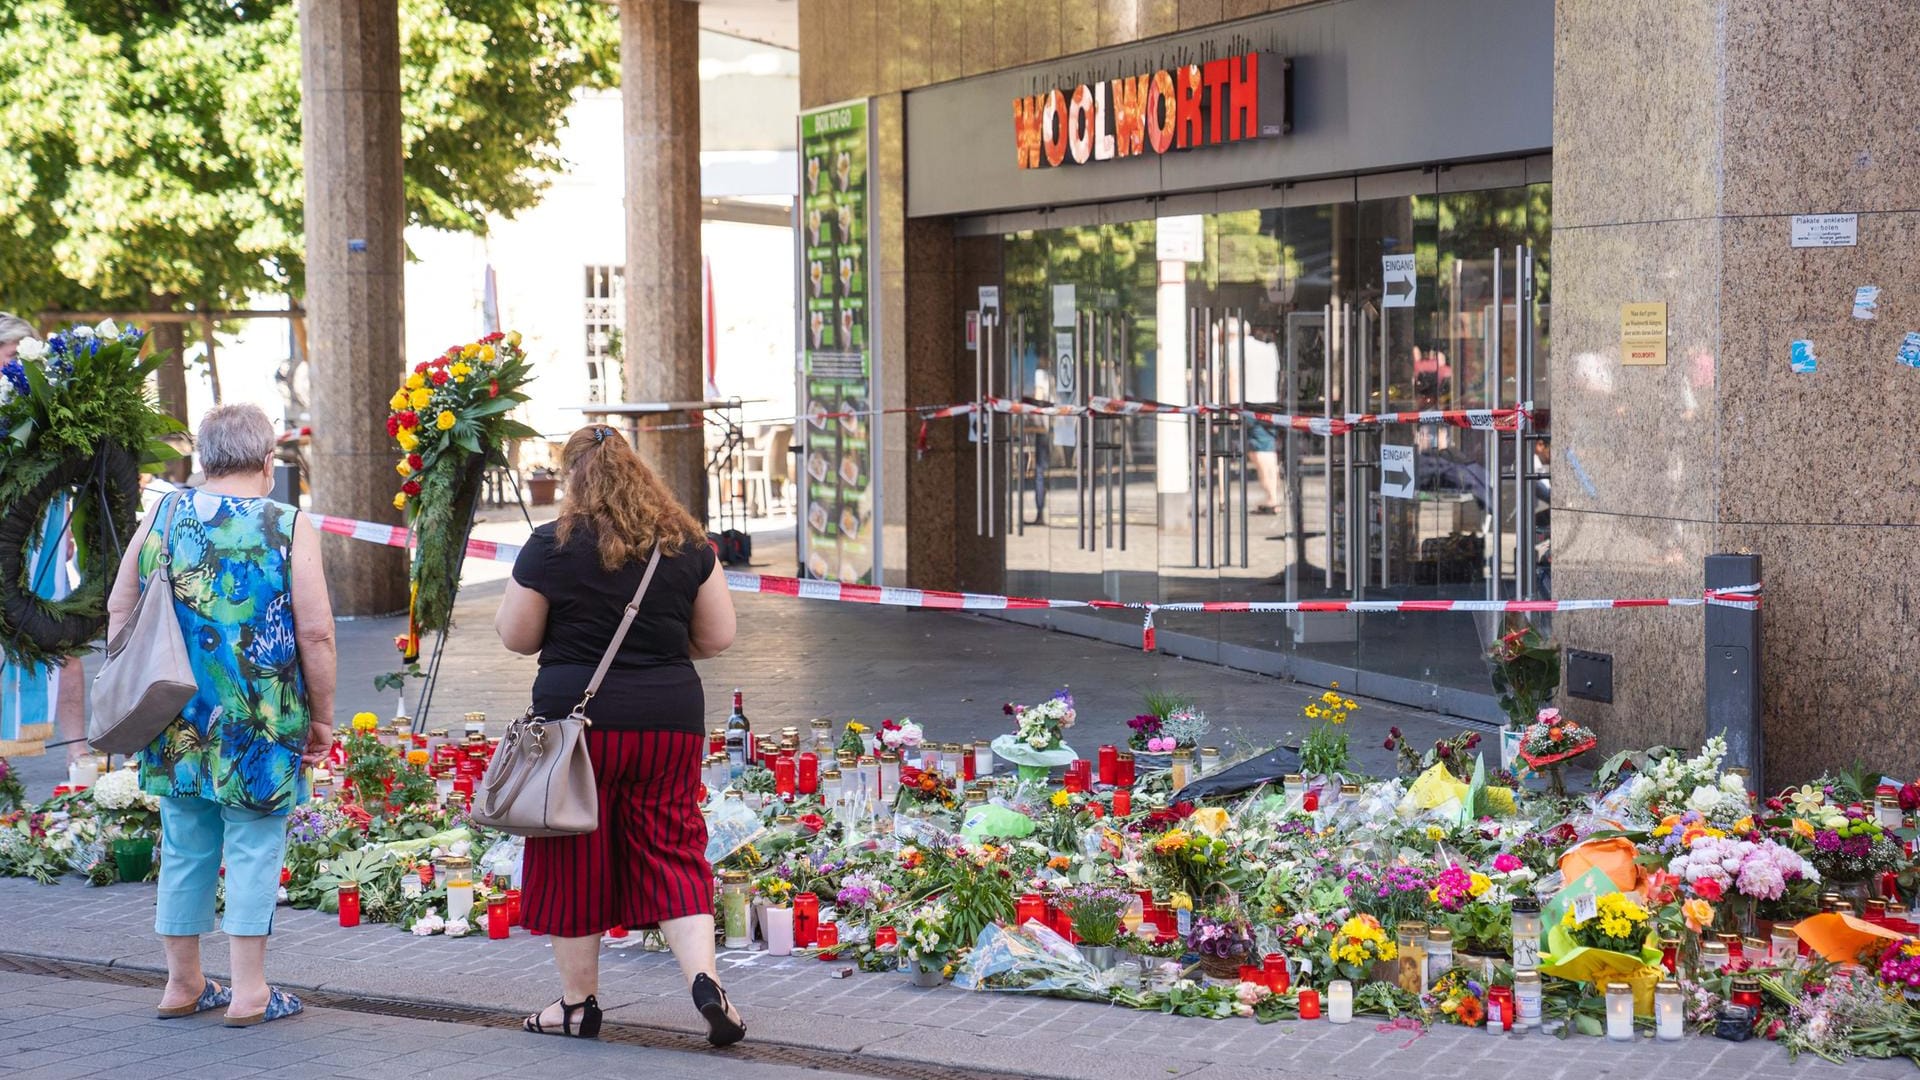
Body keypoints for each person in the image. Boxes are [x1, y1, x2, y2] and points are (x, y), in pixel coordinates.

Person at [495, 425, 745, 1045]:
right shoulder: (687, 544)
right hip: (668, 725)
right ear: (640, 472)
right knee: (674, 848)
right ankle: (706, 980)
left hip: (578, 731)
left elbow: (517, 636)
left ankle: (578, 1007)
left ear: (572, 478)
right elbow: (716, 638)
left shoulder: (549, 545)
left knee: (572, 855)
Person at [106, 403, 335, 1027]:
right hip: (263, 718)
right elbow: (315, 633)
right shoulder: (285, 523)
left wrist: (132, 687)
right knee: (255, 844)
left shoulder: (163, 512)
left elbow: (119, 604)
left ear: (204, 460)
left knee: (184, 843)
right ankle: (250, 992)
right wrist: (323, 716)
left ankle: (183, 984)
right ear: (267, 463)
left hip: (174, 712)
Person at [0, 314, 87, 764]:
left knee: (58, 635)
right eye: (7, 355)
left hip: (45, 524)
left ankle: (78, 752)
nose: (8, 366)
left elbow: (64, 469)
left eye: (16, 356)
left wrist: (69, 523)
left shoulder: (46, 403)